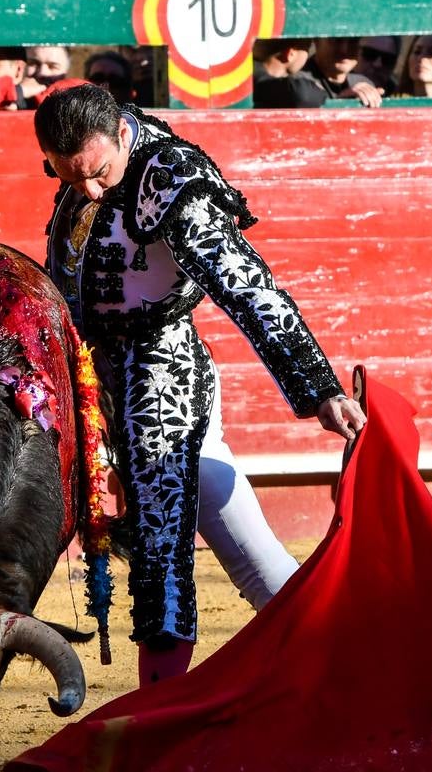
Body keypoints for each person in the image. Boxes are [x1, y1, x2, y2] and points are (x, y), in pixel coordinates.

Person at [33, 84, 366, 686]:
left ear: (118, 137)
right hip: (88, 370)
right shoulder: (93, 152)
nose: (87, 191)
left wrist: (319, 387)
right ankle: (338, 645)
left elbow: (246, 286)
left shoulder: (171, 180)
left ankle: (160, 712)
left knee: (160, 548)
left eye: (99, 174)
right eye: (69, 178)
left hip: (160, 370)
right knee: (209, 490)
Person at [304, 36, 383, 106]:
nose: (344, 49)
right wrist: (339, 104)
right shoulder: (299, 83)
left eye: (353, 40)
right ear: (316, 40)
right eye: (336, 40)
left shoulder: (362, 83)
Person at [251, 38, 326, 108]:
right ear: (290, 54)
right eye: (307, 49)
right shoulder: (294, 90)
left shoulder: (248, 71)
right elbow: (303, 94)